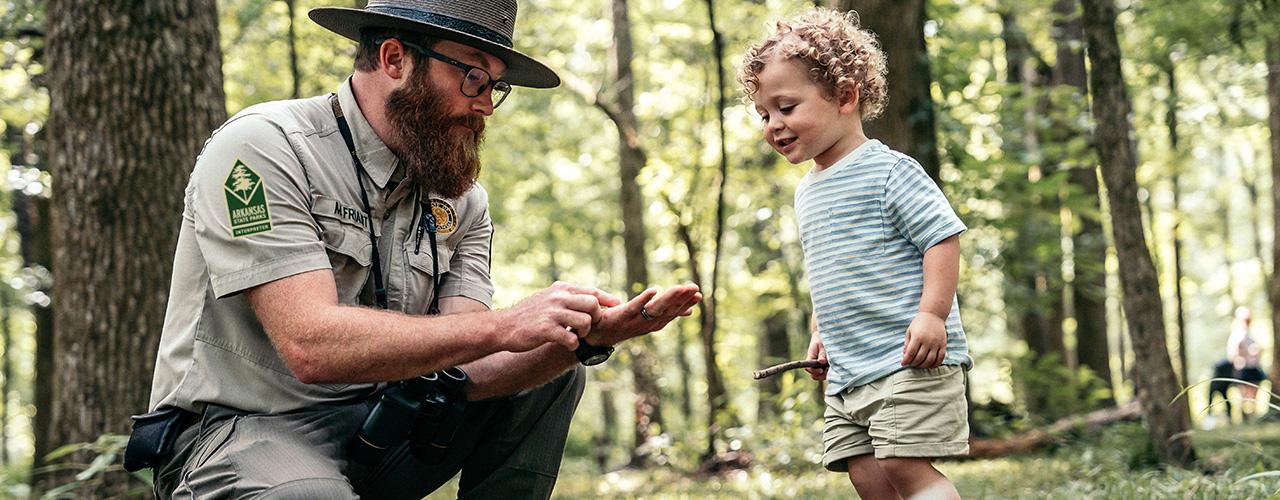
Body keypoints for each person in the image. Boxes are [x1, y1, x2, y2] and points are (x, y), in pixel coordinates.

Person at [133, 1, 701, 498]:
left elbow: (467, 369)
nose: (486, 106)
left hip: (383, 425)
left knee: (557, 365)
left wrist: (589, 338)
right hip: (244, 429)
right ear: (394, 60)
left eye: (495, 87)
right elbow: (309, 345)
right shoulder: (264, 148)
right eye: (473, 78)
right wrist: (507, 323)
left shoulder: (461, 200)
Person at [738, 8, 972, 499]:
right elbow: (829, 271)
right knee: (865, 473)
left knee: (905, 465)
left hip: (906, 357)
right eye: (764, 114)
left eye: (786, 107)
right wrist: (820, 333)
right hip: (850, 367)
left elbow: (942, 238)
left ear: (845, 96)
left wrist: (932, 315)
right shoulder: (807, 191)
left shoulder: (890, 171)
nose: (774, 125)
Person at [1227, 306, 1267, 419]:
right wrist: (1243, 357)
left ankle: (1252, 415)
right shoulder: (1236, 335)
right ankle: (1244, 416)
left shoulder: (1249, 335)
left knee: (1254, 394)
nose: (1247, 322)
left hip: (1253, 368)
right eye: (1245, 320)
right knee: (1243, 395)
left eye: (1248, 320)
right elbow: (1232, 355)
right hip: (1244, 369)